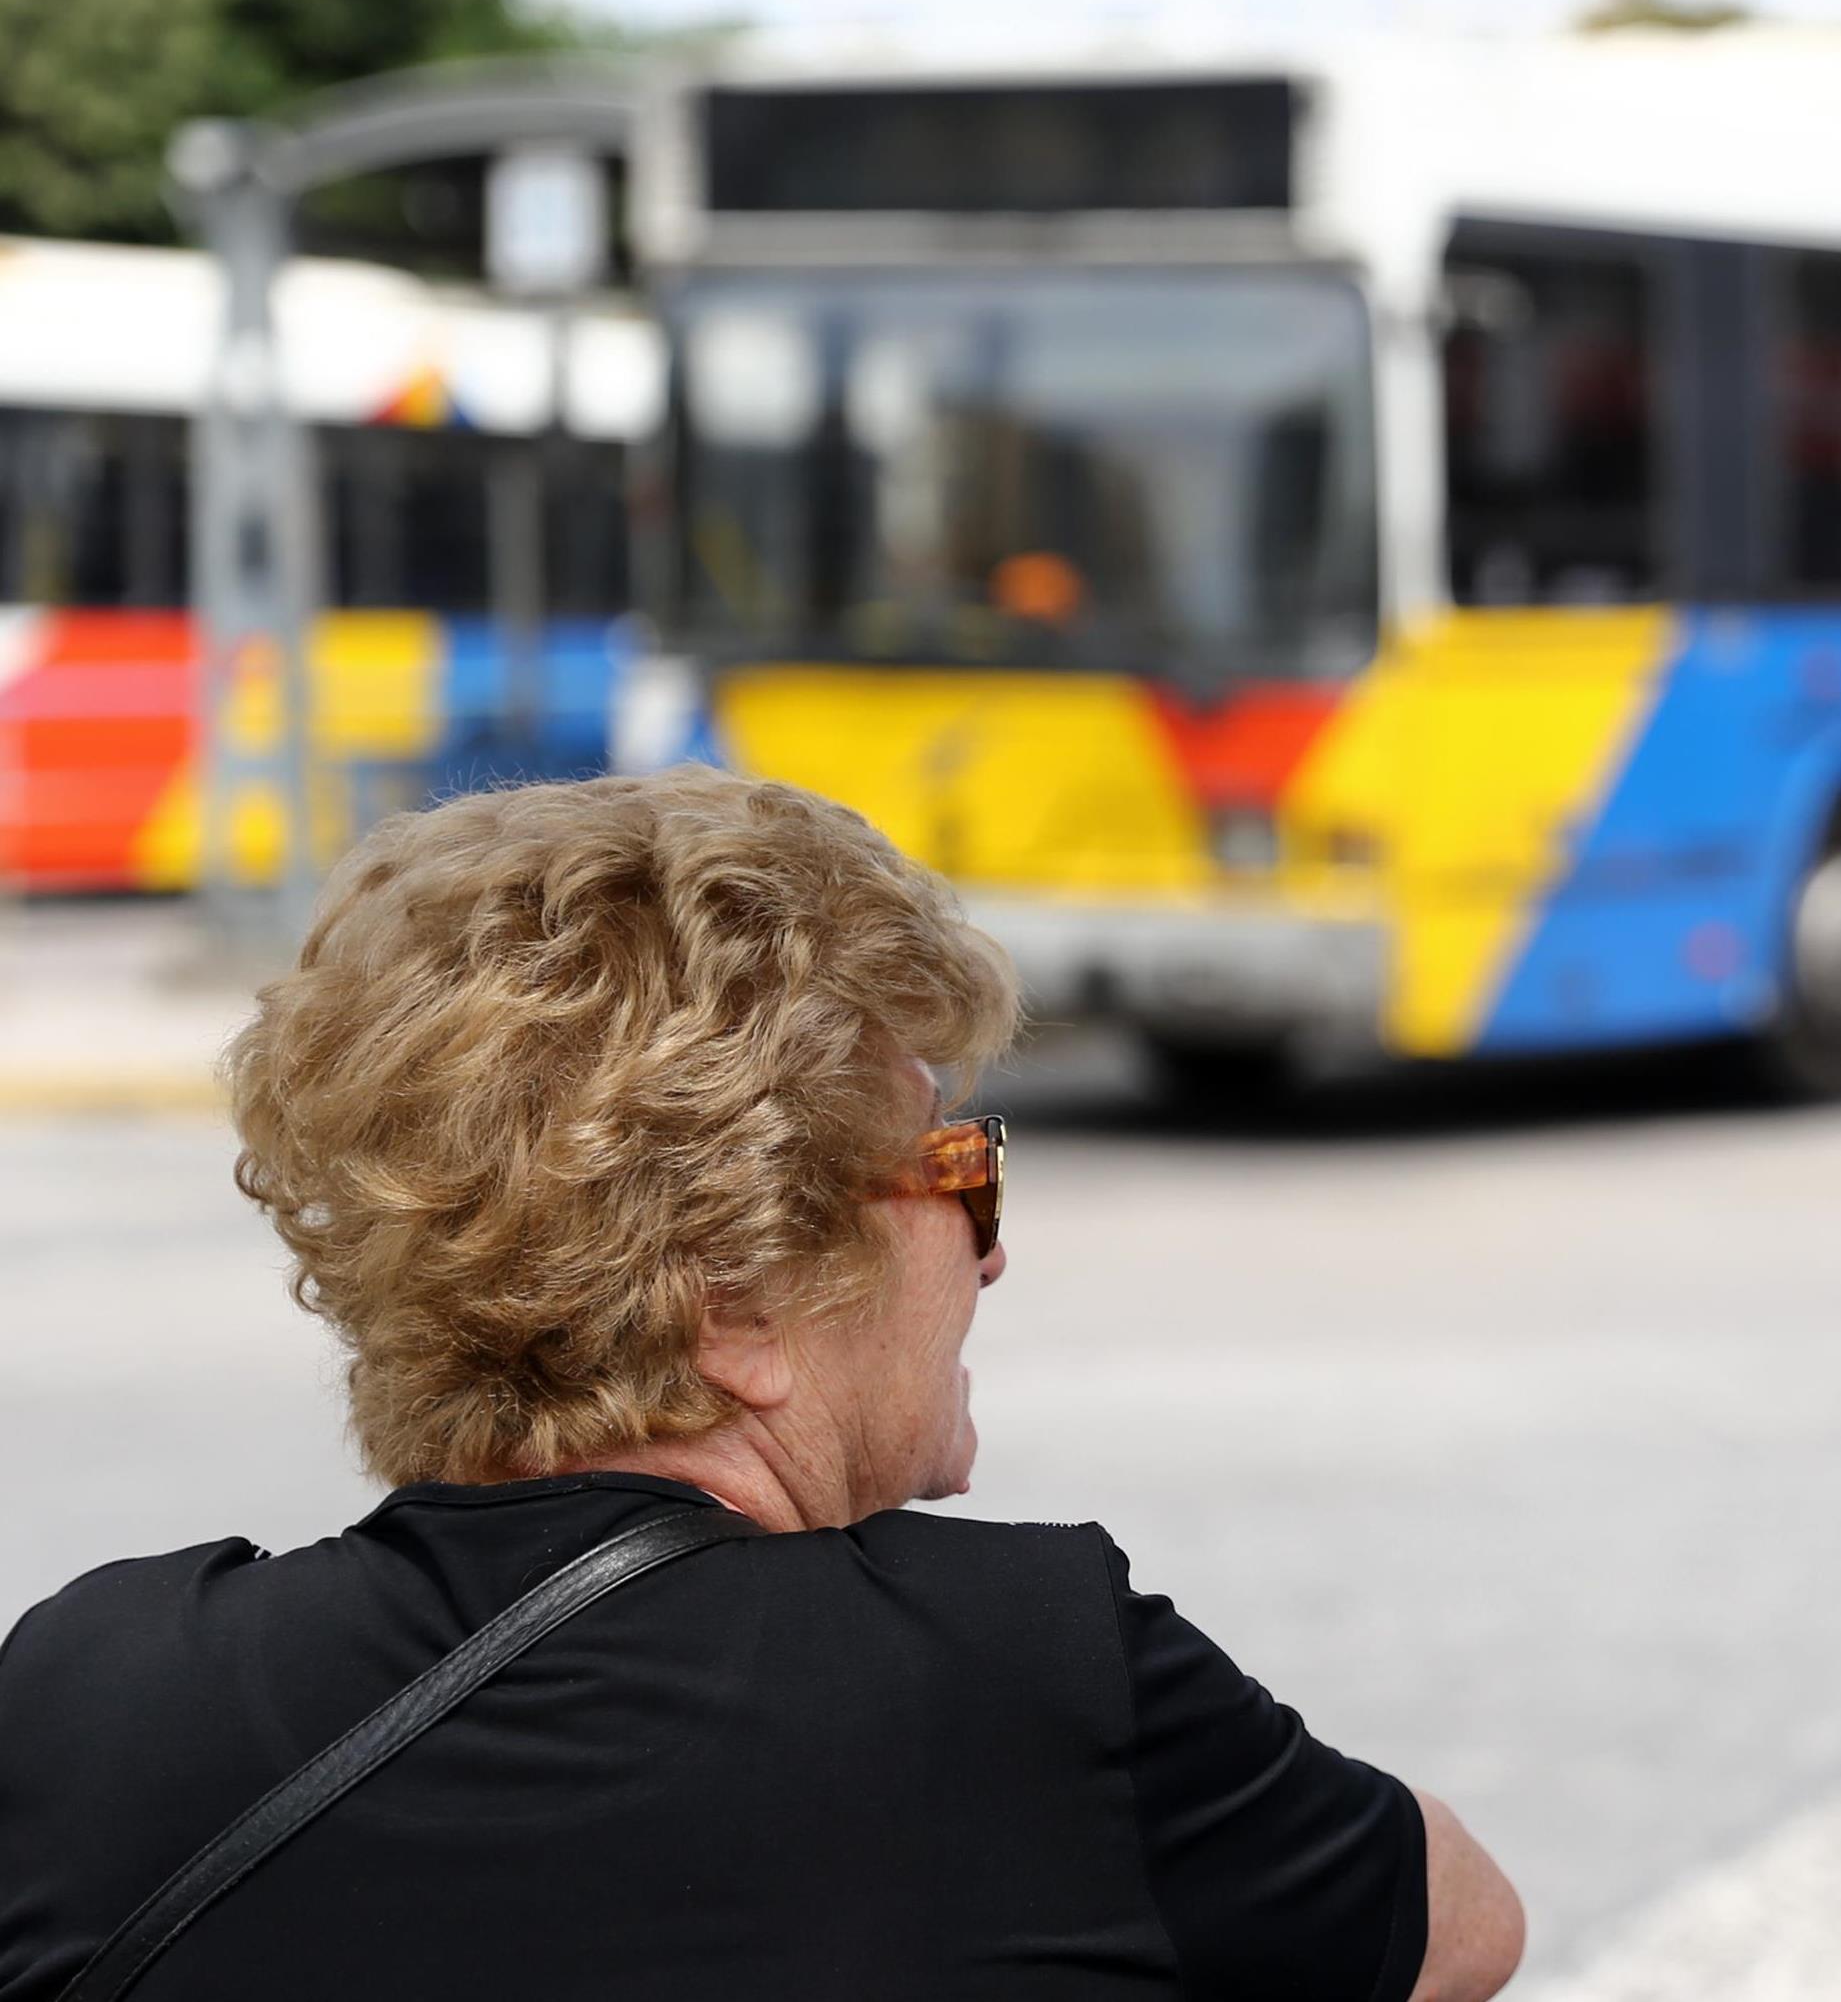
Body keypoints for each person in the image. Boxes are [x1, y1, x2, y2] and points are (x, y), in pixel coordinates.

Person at [0, 769, 1523, 2002]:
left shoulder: (91, 1694)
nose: (990, 1258)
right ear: (732, 1301)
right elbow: (1465, 1928)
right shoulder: (1022, 1673)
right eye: (959, 1173)